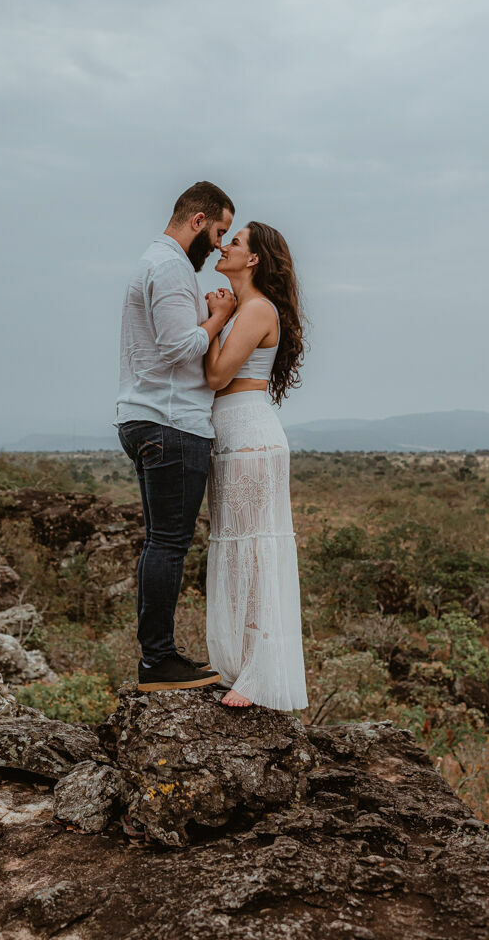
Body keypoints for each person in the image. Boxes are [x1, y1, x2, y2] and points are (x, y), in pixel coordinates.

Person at [116, 181, 236, 692]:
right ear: (197, 220)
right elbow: (175, 349)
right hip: (171, 421)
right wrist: (219, 318)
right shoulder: (168, 268)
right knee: (168, 544)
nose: (219, 243)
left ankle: (157, 658)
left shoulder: (160, 264)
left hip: (151, 418)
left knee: (160, 543)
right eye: (219, 230)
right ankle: (158, 661)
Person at [204, 222, 309, 710]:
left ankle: (259, 674)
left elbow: (219, 374)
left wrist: (215, 320)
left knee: (255, 552)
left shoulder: (256, 308)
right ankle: (243, 665)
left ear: (253, 260)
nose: (224, 245)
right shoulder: (242, 309)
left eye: (236, 241)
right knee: (236, 549)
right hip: (232, 436)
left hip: (249, 437)